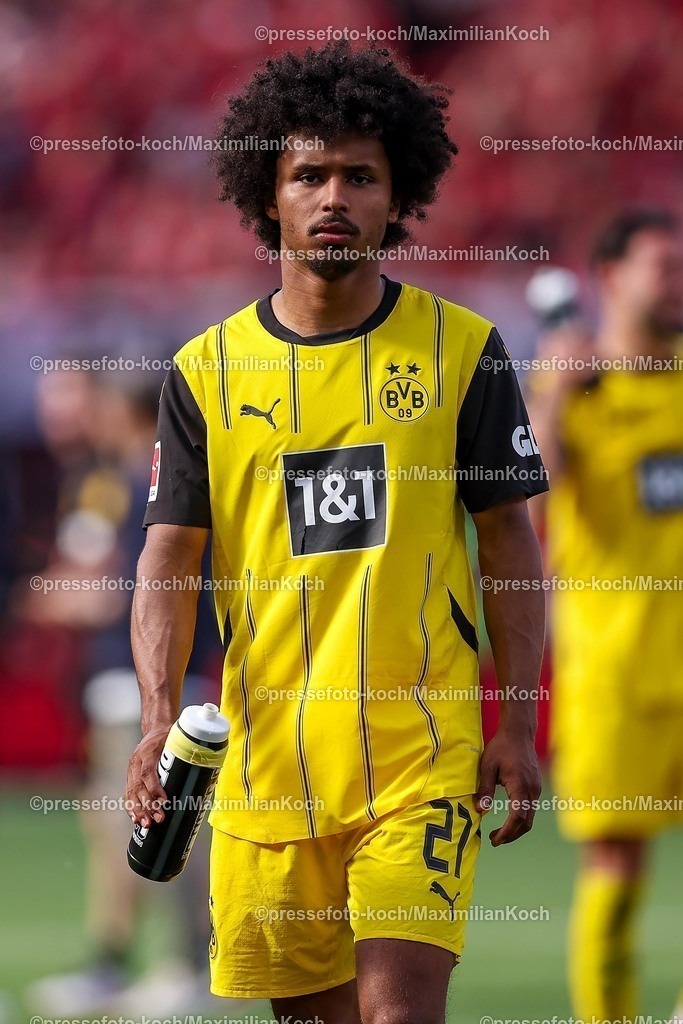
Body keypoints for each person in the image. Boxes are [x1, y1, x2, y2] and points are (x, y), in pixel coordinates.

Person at [126, 42, 548, 1024]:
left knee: (399, 1014)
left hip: (421, 759)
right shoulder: (203, 371)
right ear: (266, 195)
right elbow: (169, 556)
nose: (332, 196)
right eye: (307, 173)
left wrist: (517, 718)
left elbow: (508, 541)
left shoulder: (463, 350)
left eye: (360, 175)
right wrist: (157, 718)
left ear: (396, 197)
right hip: (270, 774)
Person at [530, 209, 683, 1020]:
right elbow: (530, 499)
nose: (678, 281)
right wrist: (554, 390)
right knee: (616, 863)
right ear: (610, 277)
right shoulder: (577, 389)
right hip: (614, 669)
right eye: (662, 266)